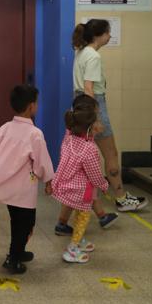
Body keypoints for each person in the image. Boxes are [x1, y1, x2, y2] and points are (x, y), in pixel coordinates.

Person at [55, 19, 147, 236]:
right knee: (111, 153)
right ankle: (122, 198)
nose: (109, 36)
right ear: (101, 35)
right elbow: (89, 88)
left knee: (79, 164)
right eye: (108, 33)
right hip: (92, 105)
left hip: (78, 104)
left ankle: (65, 219)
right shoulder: (93, 56)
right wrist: (93, 118)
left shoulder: (81, 51)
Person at [0, 85, 55, 274]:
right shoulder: (35, 134)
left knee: (17, 221)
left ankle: (18, 252)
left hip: (9, 190)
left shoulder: (3, 128)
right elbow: (41, 162)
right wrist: (48, 180)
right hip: (23, 190)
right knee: (26, 223)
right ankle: (13, 258)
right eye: (36, 102)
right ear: (31, 106)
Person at [52, 94, 109, 263]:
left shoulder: (69, 138)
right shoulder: (89, 149)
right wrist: (104, 185)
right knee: (83, 218)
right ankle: (72, 249)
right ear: (91, 125)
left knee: (78, 215)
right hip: (83, 191)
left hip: (69, 186)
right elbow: (95, 175)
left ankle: (79, 238)